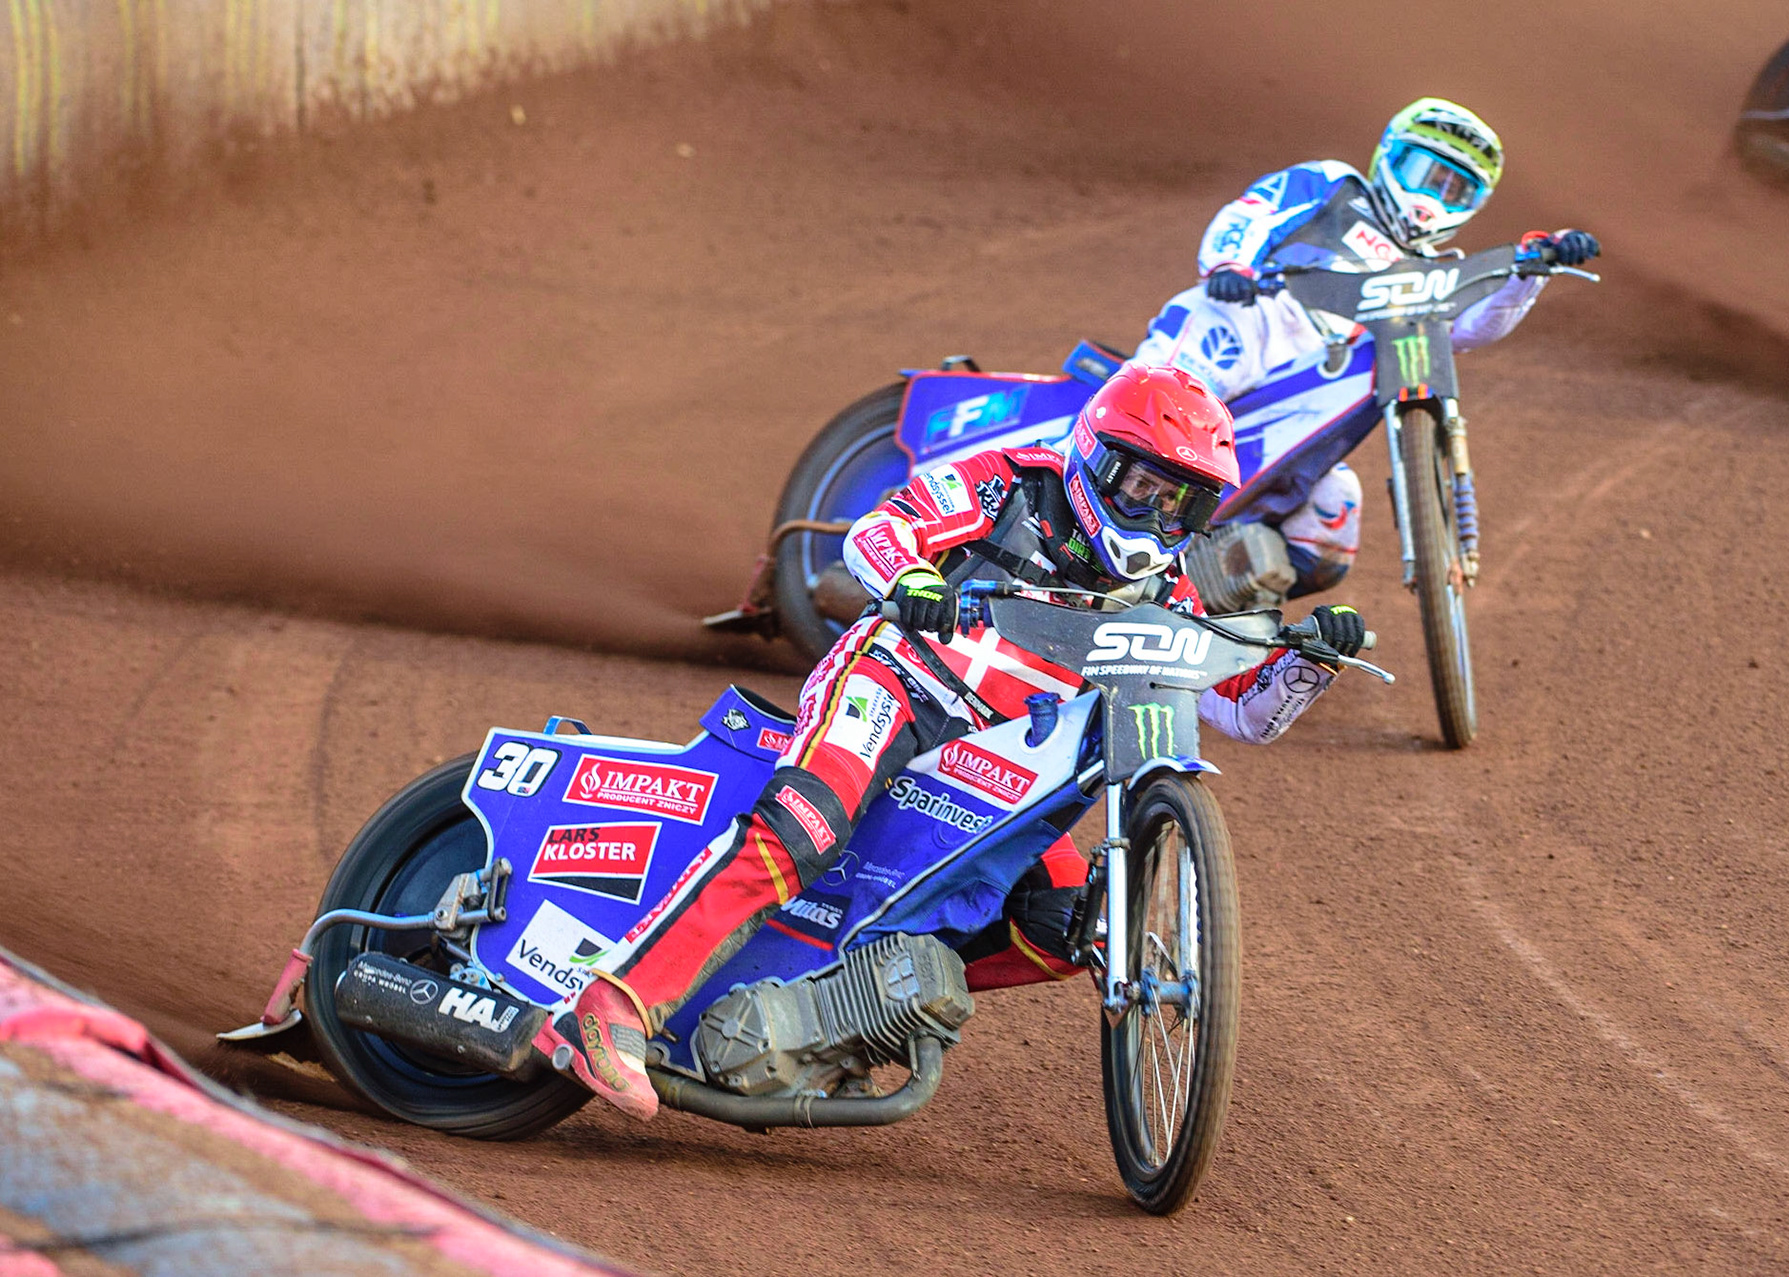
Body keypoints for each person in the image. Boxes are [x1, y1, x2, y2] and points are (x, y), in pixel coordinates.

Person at [533, 364, 1371, 1117]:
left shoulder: (1168, 583)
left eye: (1181, 501)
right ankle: (610, 1007)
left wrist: (1310, 660)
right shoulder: (1010, 482)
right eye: (1144, 486)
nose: (1157, 513)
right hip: (898, 682)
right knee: (804, 827)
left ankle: (851, 1003)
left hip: (1001, 761)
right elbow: (877, 531)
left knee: (1071, 920)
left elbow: (1242, 710)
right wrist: (913, 578)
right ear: (1096, 459)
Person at [1130, 97, 1601, 608]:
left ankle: (1214, 609)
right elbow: (1254, 213)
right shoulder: (1334, 184)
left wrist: (1529, 275)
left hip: (1312, 383)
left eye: (1453, 189)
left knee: (1334, 515)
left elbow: (1464, 330)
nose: (1433, 197)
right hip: (1255, 321)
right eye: (1425, 174)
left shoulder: (1434, 271)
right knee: (1172, 404)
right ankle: (1085, 480)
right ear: (1391, 158)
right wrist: (1229, 265)